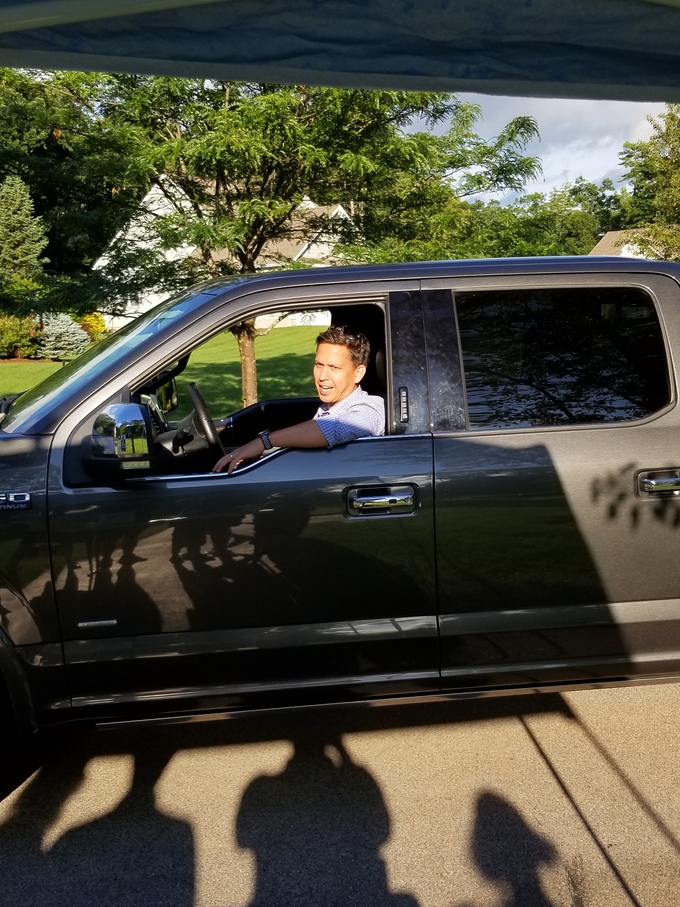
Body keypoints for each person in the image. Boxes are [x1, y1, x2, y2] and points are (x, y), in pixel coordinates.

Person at [213, 325, 385, 475]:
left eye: (334, 367)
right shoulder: (328, 408)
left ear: (358, 373)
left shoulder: (370, 410)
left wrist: (264, 442)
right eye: (319, 365)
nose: (322, 376)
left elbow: (337, 427)